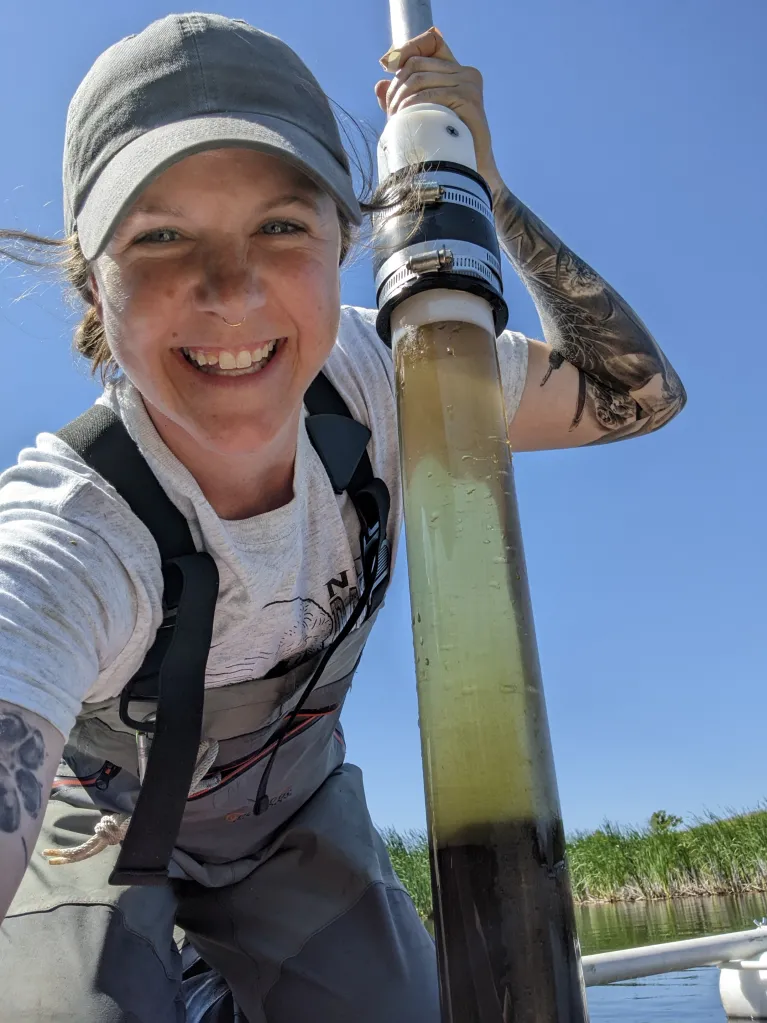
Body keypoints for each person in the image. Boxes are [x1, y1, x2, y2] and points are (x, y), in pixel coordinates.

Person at [0, 12, 686, 1022]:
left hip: (293, 824)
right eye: (159, 236)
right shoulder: (68, 532)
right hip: (95, 832)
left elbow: (633, 396)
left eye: (280, 226)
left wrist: (477, 189)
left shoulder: (400, 375)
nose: (231, 293)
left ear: (340, 242)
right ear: (93, 288)